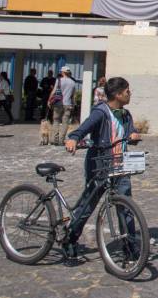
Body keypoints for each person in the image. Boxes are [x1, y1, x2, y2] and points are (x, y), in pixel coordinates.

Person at [62, 77, 141, 258]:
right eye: (127, 91)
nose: (130, 94)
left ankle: (129, 245)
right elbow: (84, 127)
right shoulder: (101, 112)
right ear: (118, 94)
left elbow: (129, 131)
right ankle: (70, 237)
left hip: (121, 165)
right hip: (100, 166)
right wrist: (73, 138)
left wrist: (133, 134)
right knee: (88, 204)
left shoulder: (125, 114)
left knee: (125, 205)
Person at [50, 66, 77, 146]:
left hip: (58, 103)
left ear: (62, 72)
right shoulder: (72, 82)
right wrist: (73, 105)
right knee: (65, 122)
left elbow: (54, 92)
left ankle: (54, 139)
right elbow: (73, 96)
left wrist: (49, 100)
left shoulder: (59, 80)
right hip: (68, 104)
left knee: (56, 121)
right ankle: (61, 140)